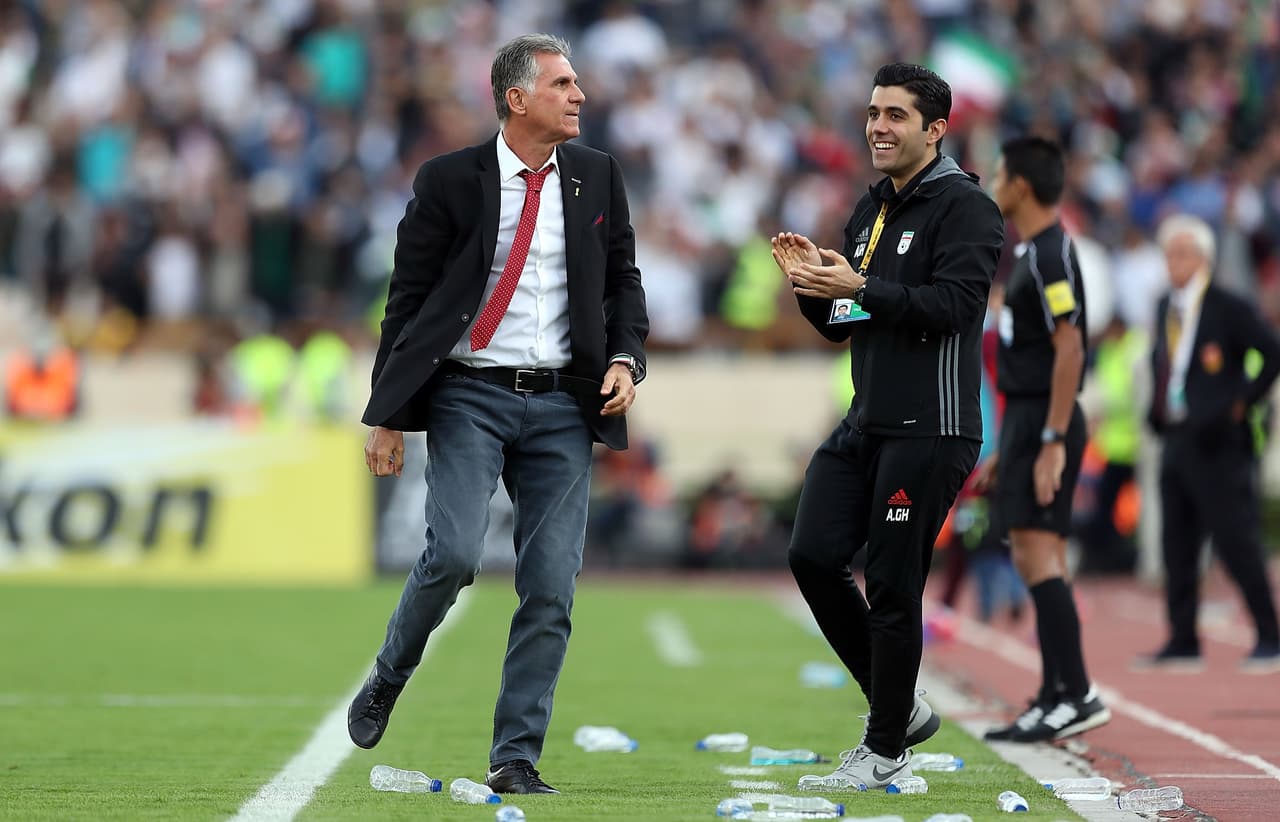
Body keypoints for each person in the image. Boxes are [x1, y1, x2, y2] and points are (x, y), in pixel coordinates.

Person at [346, 33, 649, 796]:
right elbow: (406, 304)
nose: (579, 96)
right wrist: (385, 415)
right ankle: (390, 672)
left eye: (578, 84)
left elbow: (624, 283)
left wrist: (625, 359)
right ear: (517, 99)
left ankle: (515, 757)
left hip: (562, 403)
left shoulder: (597, 176)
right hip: (468, 393)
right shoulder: (448, 180)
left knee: (551, 586)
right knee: (452, 554)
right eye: (563, 84)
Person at [772, 63, 1003, 789]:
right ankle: (898, 709)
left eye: (895, 115)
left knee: (895, 587)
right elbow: (848, 322)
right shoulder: (871, 210)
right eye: (873, 112)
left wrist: (862, 285)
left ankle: (884, 750)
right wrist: (816, 289)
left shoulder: (967, 209)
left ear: (936, 130)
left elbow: (956, 308)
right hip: (865, 421)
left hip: (930, 428)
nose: (877, 125)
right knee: (812, 553)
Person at [979, 136, 1110, 743]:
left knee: (1038, 557)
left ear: (1022, 185)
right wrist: (1013, 445)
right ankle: (1056, 693)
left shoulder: (1050, 256)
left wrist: (1052, 439)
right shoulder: (1032, 252)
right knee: (1036, 557)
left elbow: (1070, 347)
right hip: (1028, 421)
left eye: (1001, 173)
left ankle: (1075, 691)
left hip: (1044, 419)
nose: (994, 183)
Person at [1134, 213, 1280, 672]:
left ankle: (1269, 635)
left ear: (1203, 258)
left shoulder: (1226, 305)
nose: (1172, 262)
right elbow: (1166, 360)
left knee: (1237, 541)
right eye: (1168, 253)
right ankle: (1183, 640)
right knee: (1176, 542)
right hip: (1175, 435)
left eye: (1181, 253)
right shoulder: (1164, 305)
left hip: (1219, 443)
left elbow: (1271, 351)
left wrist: (1243, 403)